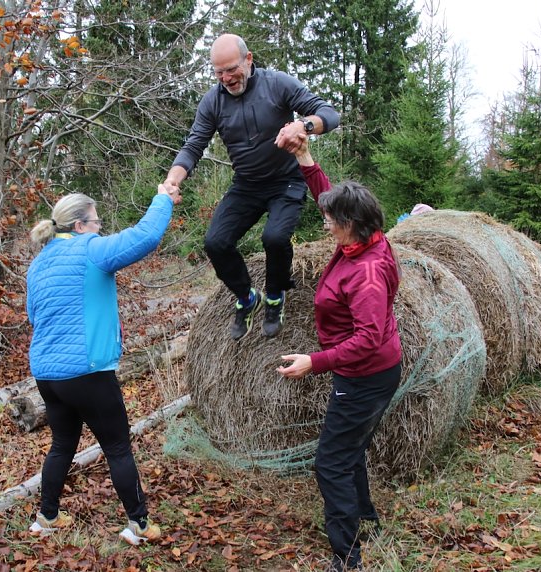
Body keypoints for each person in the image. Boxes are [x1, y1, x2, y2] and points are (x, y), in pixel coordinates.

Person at [25, 183, 181, 546]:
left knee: (63, 444)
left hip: (48, 375)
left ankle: (47, 516)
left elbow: (36, 317)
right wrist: (162, 198)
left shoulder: (38, 265)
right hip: (88, 371)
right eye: (97, 221)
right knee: (117, 447)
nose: (101, 228)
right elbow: (145, 237)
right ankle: (138, 524)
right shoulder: (90, 250)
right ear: (80, 225)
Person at [275, 134, 402, 572]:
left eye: (332, 220)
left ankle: (347, 558)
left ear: (352, 223)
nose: (324, 223)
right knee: (352, 449)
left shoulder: (365, 273)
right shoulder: (364, 240)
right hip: (375, 371)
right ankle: (366, 516)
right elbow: (327, 198)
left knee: (329, 463)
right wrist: (306, 159)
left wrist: (316, 361)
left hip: (364, 375)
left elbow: (367, 337)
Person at [163, 33, 340, 341]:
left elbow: (330, 114)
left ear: (248, 59)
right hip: (246, 184)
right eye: (218, 73)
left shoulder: (278, 84)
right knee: (216, 242)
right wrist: (173, 179)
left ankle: (274, 296)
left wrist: (303, 125)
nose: (226, 78)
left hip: (286, 180)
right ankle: (247, 298)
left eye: (231, 69)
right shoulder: (212, 101)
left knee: (274, 238)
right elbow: (193, 146)